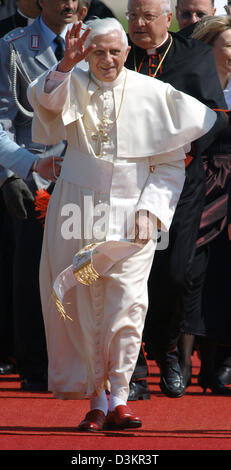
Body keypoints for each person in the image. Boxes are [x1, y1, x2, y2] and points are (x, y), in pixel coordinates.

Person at [27, 18, 216, 431]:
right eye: (98, 52)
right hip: (76, 206)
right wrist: (65, 65)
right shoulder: (71, 80)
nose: (107, 59)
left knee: (128, 305)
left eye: (115, 51)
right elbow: (43, 103)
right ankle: (96, 400)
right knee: (82, 304)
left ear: (126, 51)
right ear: (86, 52)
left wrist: (152, 211)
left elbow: (169, 166)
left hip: (133, 213)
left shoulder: (153, 93)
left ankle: (121, 398)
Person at [125, 0, 228, 400]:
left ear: (167, 18)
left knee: (173, 276)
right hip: (125, 185)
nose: (138, 23)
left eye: (148, 16)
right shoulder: (119, 54)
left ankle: (166, 349)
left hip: (180, 184)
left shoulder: (197, 56)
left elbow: (216, 115)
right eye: (133, 15)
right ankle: (133, 372)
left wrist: (179, 146)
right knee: (127, 277)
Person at [0, 0, 79, 391]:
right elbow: (1, 123)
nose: (68, 3)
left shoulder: (100, 39)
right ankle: (33, 363)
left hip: (87, 176)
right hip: (36, 178)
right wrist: (13, 174)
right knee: (32, 272)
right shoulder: (13, 45)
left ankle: (84, 362)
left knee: (85, 273)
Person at [178, 15, 231, 394]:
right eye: (229, 44)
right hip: (198, 180)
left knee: (224, 274)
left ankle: (217, 366)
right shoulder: (191, 80)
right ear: (210, 46)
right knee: (190, 271)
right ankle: (178, 361)